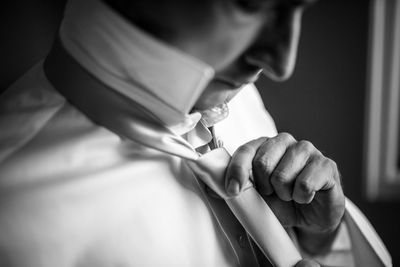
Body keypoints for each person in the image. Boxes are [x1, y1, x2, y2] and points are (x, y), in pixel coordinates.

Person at [0, 0, 391, 266]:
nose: (282, 61)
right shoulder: (12, 209)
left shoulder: (238, 99)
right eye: (249, 5)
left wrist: (319, 238)